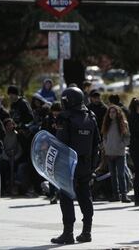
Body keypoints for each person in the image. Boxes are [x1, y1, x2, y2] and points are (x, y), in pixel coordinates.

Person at [51, 87, 99, 244]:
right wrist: (92, 167)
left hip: (68, 165)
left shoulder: (64, 117)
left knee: (66, 197)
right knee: (86, 197)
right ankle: (87, 232)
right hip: (85, 164)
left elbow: (60, 143)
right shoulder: (91, 116)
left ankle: (68, 233)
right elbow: (96, 144)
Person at [101, 106, 131, 203]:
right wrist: (106, 147)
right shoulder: (106, 124)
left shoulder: (123, 124)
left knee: (121, 174)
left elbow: (127, 138)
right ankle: (116, 195)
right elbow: (104, 137)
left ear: (118, 113)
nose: (112, 114)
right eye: (110, 112)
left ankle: (124, 195)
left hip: (120, 153)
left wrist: (121, 145)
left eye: (114, 112)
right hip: (109, 153)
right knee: (113, 175)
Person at [41, 102, 63, 204]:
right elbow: (43, 132)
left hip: (61, 148)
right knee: (50, 171)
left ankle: (61, 193)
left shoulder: (63, 119)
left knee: (59, 172)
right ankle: (53, 194)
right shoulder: (47, 119)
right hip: (50, 148)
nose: (55, 114)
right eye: (54, 111)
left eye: (57, 112)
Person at [0, 118, 23, 196]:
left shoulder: (16, 135)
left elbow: (19, 148)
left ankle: (14, 187)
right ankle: (4, 188)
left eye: (11, 124)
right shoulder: (3, 135)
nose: (10, 126)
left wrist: (15, 157)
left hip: (15, 157)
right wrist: (6, 157)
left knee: (17, 168)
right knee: (3, 167)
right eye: (8, 125)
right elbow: (1, 148)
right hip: (5, 156)